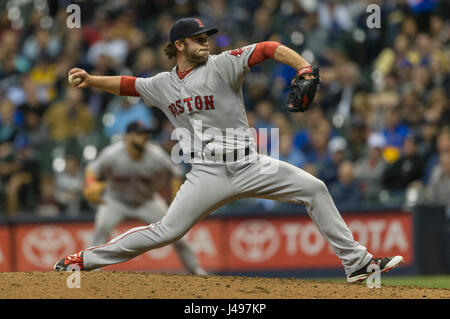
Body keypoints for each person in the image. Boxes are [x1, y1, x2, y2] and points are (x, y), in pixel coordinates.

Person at [54, 17, 403, 283]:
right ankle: (82, 260)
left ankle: (357, 264)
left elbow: (267, 48)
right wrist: (92, 80)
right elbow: (129, 85)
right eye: (197, 39)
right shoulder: (162, 84)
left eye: (207, 37)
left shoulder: (222, 65)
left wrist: (303, 67)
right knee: (167, 232)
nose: (205, 42)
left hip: (251, 165)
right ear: (179, 45)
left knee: (315, 188)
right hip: (206, 173)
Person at [79, 120, 206, 275]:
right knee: (102, 227)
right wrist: (91, 184)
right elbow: (91, 170)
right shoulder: (112, 154)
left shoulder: (155, 155)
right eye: (138, 133)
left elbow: (175, 174)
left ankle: (196, 270)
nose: (143, 137)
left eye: (145, 134)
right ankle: (93, 271)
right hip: (115, 200)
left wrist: (175, 200)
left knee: (176, 231)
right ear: (126, 137)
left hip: (147, 201)